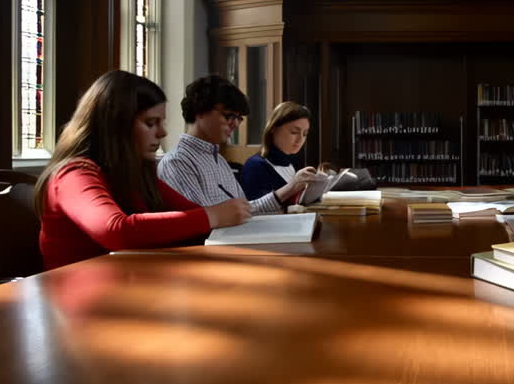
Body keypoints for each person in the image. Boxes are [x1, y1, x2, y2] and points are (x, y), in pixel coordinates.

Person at [34, 70, 250, 270]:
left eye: (161, 122)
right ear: (116, 125)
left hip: (126, 283)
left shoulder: (135, 173)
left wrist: (217, 218)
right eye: (150, 123)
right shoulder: (73, 174)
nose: (163, 132)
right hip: (73, 298)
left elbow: (190, 214)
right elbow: (116, 231)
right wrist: (212, 215)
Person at [158, 75, 283, 214]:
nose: (235, 123)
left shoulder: (219, 160)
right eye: (229, 115)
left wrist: (288, 191)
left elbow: (243, 211)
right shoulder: (177, 162)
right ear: (200, 110)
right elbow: (202, 221)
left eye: (238, 118)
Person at [238, 101, 319, 206]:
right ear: (273, 128)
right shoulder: (255, 165)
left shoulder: (292, 162)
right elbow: (253, 210)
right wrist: (293, 186)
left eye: (305, 134)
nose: (300, 139)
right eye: (294, 132)